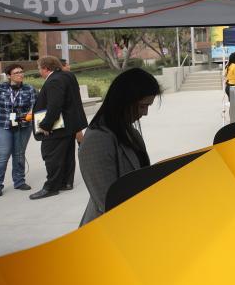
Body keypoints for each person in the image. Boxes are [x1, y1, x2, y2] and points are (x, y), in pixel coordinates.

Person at [77, 68, 159, 226]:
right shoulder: (97, 139)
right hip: (110, 228)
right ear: (124, 101)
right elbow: (106, 200)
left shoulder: (128, 131)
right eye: (142, 106)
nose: (145, 113)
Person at [29, 56, 88, 200]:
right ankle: (66, 182)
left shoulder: (54, 80)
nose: (39, 71)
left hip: (58, 127)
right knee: (67, 154)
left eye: (39, 68)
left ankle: (51, 187)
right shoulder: (68, 75)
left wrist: (45, 125)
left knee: (51, 155)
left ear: (45, 68)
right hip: (71, 124)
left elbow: (55, 105)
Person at [0, 64, 37, 197]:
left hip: (22, 126)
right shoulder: (0, 88)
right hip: (2, 125)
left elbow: (35, 106)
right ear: (9, 76)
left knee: (19, 154)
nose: (20, 75)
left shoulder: (30, 89)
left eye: (22, 72)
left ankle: (19, 181)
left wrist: (28, 116)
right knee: (2, 156)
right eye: (16, 73)